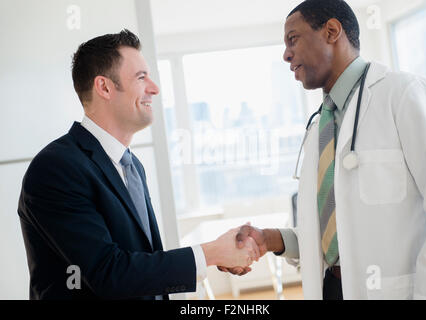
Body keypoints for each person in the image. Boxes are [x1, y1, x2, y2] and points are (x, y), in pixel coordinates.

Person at [222, 0, 426, 300]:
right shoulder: (321, 125)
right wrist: (271, 239)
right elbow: (335, 232)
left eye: (293, 39)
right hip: (332, 290)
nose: (286, 54)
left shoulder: (404, 95)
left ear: (331, 31)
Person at [17, 30, 259, 300]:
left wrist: (216, 255)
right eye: (141, 77)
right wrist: (210, 252)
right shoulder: (56, 168)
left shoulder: (132, 166)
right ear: (105, 87)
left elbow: (141, 262)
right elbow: (109, 274)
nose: (154, 88)